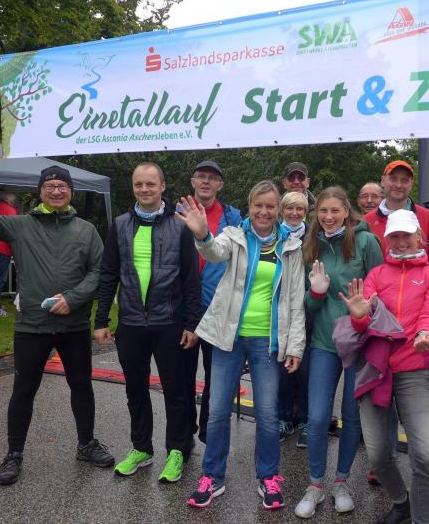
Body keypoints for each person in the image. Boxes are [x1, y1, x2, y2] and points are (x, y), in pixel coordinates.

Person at [0, 155, 114, 485]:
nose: (56, 191)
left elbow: (99, 271)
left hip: (73, 325)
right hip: (32, 326)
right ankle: (14, 454)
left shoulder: (86, 230)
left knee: (81, 385)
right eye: (50, 186)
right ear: (40, 191)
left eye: (62, 186)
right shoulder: (19, 225)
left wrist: (73, 298)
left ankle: (86, 444)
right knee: (24, 390)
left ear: (70, 191)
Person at [177, 180, 306, 511]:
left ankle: (268, 477)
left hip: (266, 341)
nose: (264, 211)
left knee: (267, 414)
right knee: (218, 411)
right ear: (249, 207)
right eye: (258, 205)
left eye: (270, 206)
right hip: (228, 337)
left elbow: (295, 301)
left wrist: (295, 346)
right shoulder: (234, 236)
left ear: (278, 210)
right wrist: (202, 235)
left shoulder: (291, 246)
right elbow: (213, 252)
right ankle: (212, 477)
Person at [94, 162, 202, 482]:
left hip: (169, 322)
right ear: (133, 187)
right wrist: (101, 319)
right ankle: (141, 448)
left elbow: (191, 279)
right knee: (135, 390)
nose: (145, 189)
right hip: (130, 324)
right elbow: (108, 274)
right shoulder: (120, 225)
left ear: (162, 186)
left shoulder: (180, 226)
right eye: (139, 184)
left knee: (175, 390)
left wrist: (192, 324)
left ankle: (177, 450)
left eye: (151, 184)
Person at [340, 209, 429, 524]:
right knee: (377, 455)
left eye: (406, 235)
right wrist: (359, 316)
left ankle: (421, 519)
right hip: (376, 371)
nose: (400, 242)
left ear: (419, 237)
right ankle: (401, 502)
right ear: (387, 239)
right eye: (395, 236)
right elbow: (362, 326)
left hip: (414, 370)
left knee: (425, 456)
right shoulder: (376, 275)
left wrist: (426, 334)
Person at [363, 159, 429, 492]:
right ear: (384, 181)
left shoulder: (428, 219)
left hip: (418, 331)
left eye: (405, 179)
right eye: (394, 178)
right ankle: (384, 461)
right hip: (379, 330)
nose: (399, 184)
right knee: (382, 395)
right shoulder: (367, 222)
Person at [294, 186, 383, 518]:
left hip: (359, 343)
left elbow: (381, 290)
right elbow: (306, 304)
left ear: (347, 211)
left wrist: (365, 311)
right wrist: (316, 294)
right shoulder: (311, 244)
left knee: (351, 415)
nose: (329, 217)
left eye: (335, 210)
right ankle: (315, 484)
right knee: (317, 417)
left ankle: (341, 482)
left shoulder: (366, 242)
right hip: (324, 342)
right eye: (323, 211)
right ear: (316, 214)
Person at [183, 160, 242, 445]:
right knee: (182, 376)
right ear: (193, 182)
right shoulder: (179, 213)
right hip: (184, 308)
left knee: (215, 377)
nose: (206, 181)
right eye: (201, 176)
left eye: (212, 178)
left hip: (216, 308)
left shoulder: (234, 218)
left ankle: (209, 432)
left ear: (220, 184)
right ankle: (184, 434)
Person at [277, 191, 310, 444]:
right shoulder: (274, 235)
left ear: (306, 212)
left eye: (299, 209)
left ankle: (308, 420)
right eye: (289, 208)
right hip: (280, 309)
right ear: (282, 210)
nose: (294, 213)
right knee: (282, 369)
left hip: (308, 308)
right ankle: (284, 418)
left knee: (306, 369)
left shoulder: (313, 237)